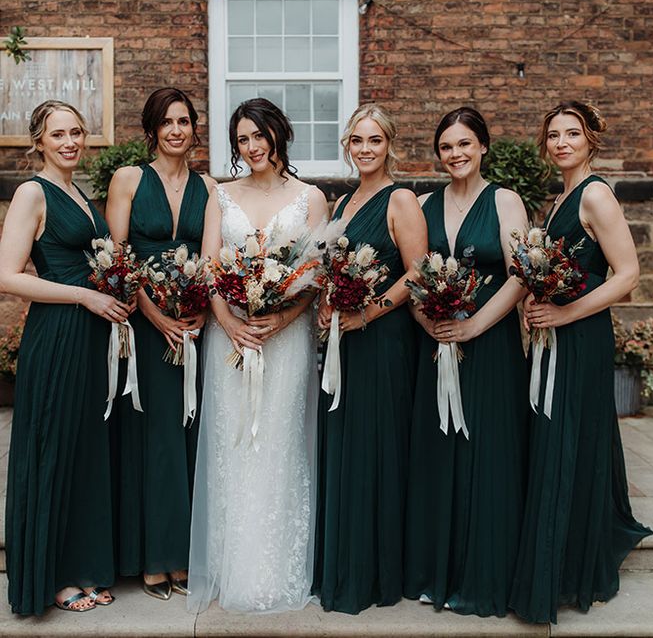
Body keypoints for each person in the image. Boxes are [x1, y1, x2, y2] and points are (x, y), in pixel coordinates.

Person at [509, 100, 653, 624]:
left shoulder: (595, 195)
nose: (561, 142)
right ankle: (559, 561)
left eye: (572, 133)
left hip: (582, 336)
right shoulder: (561, 197)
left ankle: (572, 569)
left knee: (571, 437)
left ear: (592, 139)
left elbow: (627, 274)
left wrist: (564, 314)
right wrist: (535, 303)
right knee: (556, 436)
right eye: (553, 135)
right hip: (558, 334)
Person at [187, 98, 328, 613]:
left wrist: (281, 319)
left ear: (279, 134)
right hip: (231, 340)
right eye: (242, 139)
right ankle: (231, 568)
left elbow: (315, 278)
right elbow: (208, 268)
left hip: (285, 340)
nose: (252, 147)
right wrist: (228, 324)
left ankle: (276, 569)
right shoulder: (220, 197)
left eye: (259, 135)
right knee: (233, 445)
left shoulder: (310, 198)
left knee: (279, 441)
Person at [0, 101, 131, 614]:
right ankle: (52, 575)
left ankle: (84, 565)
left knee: (84, 453)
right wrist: (83, 296)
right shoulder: (33, 192)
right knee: (53, 448)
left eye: (77, 132)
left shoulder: (80, 194)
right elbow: (8, 276)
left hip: (92, 339)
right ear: (39, 140)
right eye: (59, 134)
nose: (71, 141)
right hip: (56, 336)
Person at [403, 107, 530, 617]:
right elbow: (412, 276)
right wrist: (428, 323)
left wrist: (476, 326)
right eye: (446, 147)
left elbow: (521, 275)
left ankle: (484, 573)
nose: (455, 154)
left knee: (487, 456)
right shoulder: (424, 204)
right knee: (439, 456)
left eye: (464, 144)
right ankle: (440, 571)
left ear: (483, 147)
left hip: (491, 348)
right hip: (435, 346)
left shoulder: (505, 200)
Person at [312, 103, 427, 614]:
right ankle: (344, 562)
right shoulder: (343, 205)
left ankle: (376, 573)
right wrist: (326, 308)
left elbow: (417, 273)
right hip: (345, 341)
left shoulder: (399, 198)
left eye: (374, 140)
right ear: (347, 146)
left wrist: (367, 315)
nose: (365, 149)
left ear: (389, 145)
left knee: (378, 448)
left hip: (383, 341)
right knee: (347, 447)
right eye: (357, 141)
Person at [106, 88, 216, 600]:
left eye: (184, 121)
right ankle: (154, 557)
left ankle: (186, 554)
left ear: (195, 128)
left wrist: (195, 311)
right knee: (154, 439)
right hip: (146, 328)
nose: (176, 130)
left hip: (195, 326)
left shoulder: (210, 187)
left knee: (190, 437)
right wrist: (153, 315)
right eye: (166, 122)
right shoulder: (128, 180)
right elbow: (117, 259)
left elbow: (213, 259)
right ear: (152, 130)